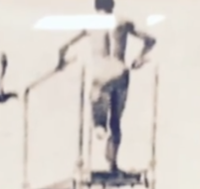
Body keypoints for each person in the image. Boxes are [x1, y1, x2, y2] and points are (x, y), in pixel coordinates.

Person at [56, 0, 156, 174]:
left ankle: (99, 126)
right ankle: (113, 164)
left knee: (99, 120)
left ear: (96, 5)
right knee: (116, 122)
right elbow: (150, 40)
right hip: (121, 72)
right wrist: (139, 58)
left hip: (101, 75)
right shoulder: (123, 21)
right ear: (113, 4)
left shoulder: (90, 24)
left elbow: (63, 47)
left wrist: (61, 63)